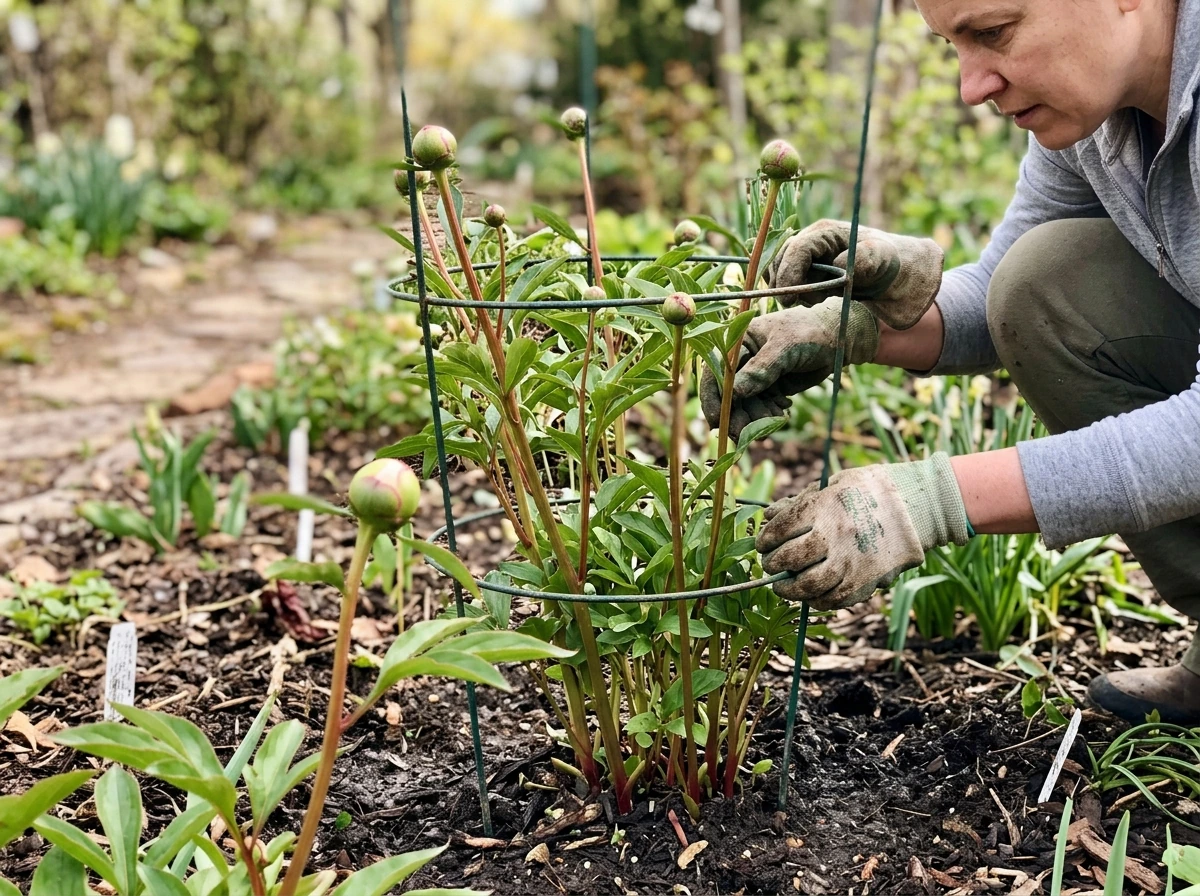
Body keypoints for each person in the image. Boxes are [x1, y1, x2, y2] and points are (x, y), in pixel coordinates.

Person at [702, 0, 1199, 724]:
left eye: (992, 33)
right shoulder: (1098, 114)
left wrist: (929, 501)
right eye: (950, 48)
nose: (971, 87)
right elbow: (1008, 300)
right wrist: (852, 327)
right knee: (1042, 280)